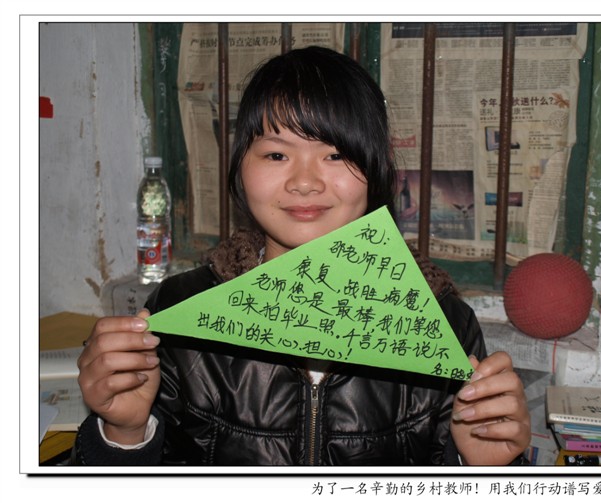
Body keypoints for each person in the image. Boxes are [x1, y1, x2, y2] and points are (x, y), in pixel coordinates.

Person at [74, 46, 530, 466]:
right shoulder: (179, 312)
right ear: (240, 167)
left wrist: (481, 469)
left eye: (335, 155)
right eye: (276, 155)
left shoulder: (445, 324)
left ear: (376, 170)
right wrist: (124, 433)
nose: (305, 182)